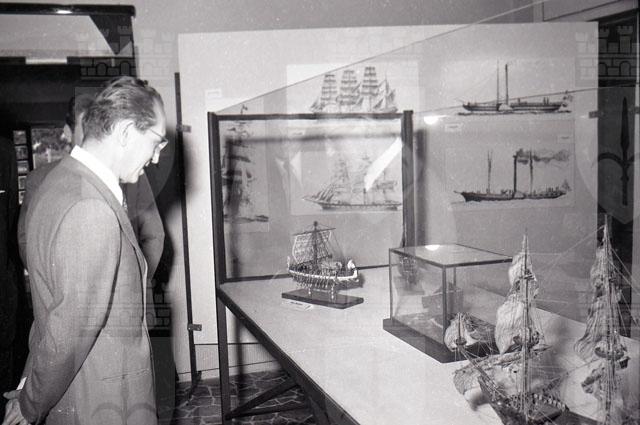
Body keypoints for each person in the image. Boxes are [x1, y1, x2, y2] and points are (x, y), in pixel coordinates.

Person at [2, 77, 168, 425]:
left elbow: (52, 312)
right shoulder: (91, 208)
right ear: (126, 132)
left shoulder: (58, 182)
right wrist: (31, 403)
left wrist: (30, 385)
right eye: (156, 143)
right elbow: (69, 327)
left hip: (78, 390)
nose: (156, 158)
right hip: (103, 401)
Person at [17, 94, 165, 282]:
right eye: (86, 128)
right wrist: (52, 284)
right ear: (68, 132)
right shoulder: (39, 180)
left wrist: (137, 284)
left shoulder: (133, 175)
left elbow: (154, 234)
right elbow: (26, 241)